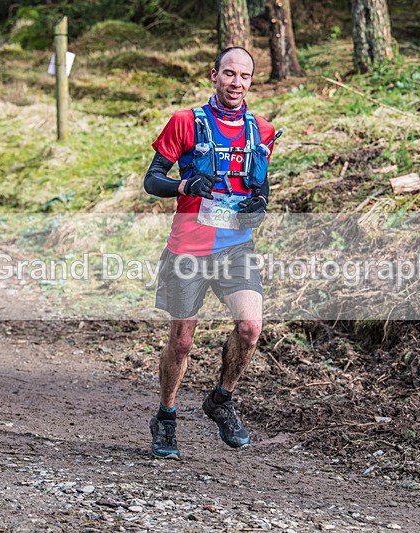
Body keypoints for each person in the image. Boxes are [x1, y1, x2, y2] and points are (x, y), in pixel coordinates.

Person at [143, 46, 275, 460]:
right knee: (182, 343)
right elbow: (152, 180)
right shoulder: (185, 123)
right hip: (188, 249)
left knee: (251, 328)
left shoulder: (263, 131)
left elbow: (260, 188)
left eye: (245, 77)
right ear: (213, 75)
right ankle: (165, 418)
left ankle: (220, 399)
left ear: (251, 81)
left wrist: (260, 204)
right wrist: (184, 187)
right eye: (230, 74)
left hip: (235, 248)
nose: (237, 83)